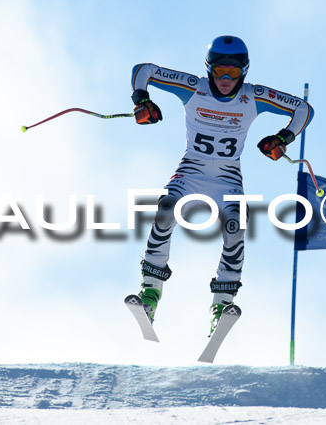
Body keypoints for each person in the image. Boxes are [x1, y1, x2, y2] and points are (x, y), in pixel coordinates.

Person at [130, 35, 314, 333]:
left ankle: (221, 303)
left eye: (233, 72)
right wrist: (142, 100)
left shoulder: (254, 96)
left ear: (245, 70)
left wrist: (283, 138)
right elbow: (144, 70)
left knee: (235, 225)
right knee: (165, 210)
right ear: (208, 69)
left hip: (227, 176)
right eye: (219, 72)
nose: (226, 79)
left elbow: (303, 109)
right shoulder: (194, 88)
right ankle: (150, 291)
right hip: (191, 169)